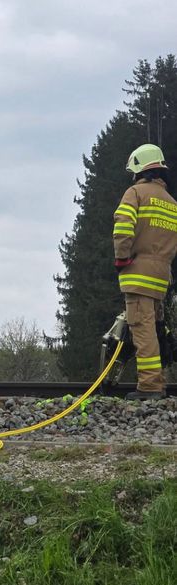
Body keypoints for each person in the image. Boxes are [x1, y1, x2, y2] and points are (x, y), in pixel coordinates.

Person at [113, 144, 177, 400]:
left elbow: (123, 228)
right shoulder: (172, 203)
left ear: (139, 169)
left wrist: (121, 258)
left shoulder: (135, 193)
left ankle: (150, 387)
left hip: (137, 273)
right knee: (156, 328)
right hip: (162, 276)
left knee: (142, 329)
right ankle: (158, 381)